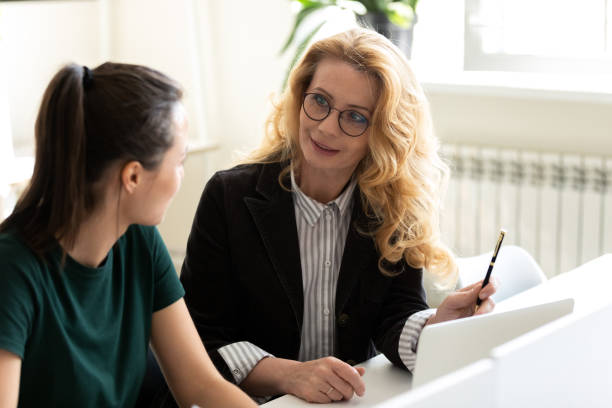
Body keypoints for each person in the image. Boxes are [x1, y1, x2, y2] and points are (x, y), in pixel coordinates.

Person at [180, 28, 497, 404]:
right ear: (300, 97)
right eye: (319, 101)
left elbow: (395, 315)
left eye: (355, 118)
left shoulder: (392, 207)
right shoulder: (230, 196)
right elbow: (200, 336)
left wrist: (435, 326)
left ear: (383, 132)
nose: (327, 127)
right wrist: (290, 375)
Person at [0, 62, 257, 408]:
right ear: (133, 177)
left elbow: (201, 386)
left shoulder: (140, 241)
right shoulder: (12, 270)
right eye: (178, 161)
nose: (180, 176)